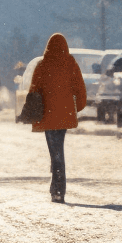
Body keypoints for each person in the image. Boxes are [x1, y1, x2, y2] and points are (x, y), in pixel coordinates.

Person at [27, 34, 86, 203]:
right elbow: (80, 87)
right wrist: (78, 107)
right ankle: (57, 187)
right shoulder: (70, 63)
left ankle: (57, 189)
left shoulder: (42, 65)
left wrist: (33, 111)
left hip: (48, 115)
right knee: (57, 149)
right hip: (65, 115)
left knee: (56, 152)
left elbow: (34, 89)